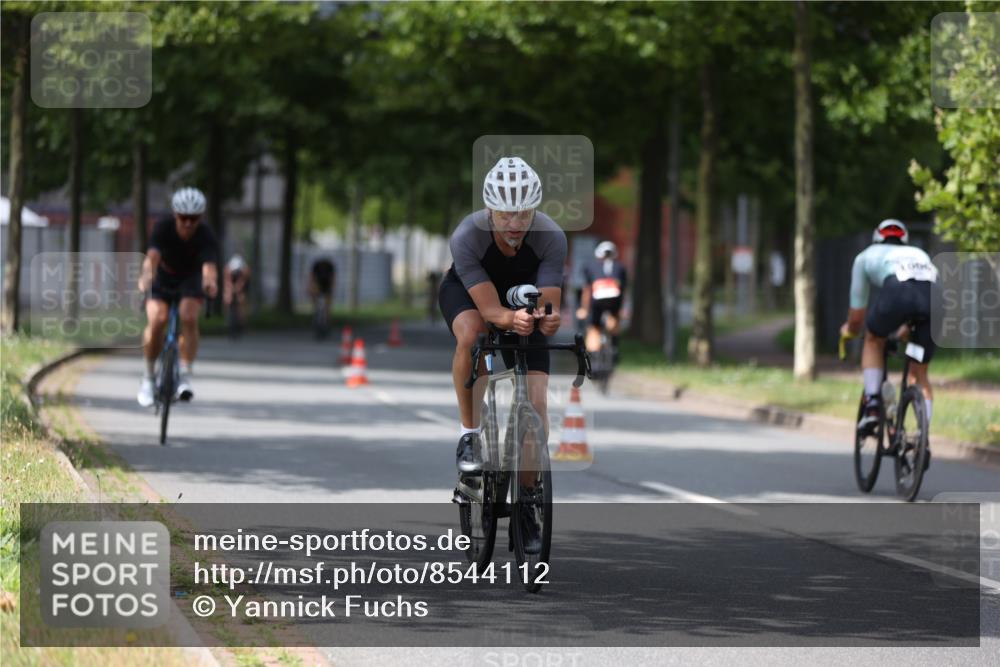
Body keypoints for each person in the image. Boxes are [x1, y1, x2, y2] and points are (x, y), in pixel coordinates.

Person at [439, 156, 565, 550]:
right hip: (472, 296)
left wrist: (546, 319)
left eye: (524, 213)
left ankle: (528, 504)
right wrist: (509, 319)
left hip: (521, 300)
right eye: (506, 213)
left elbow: (547, 304)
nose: (515, 223)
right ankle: (469, 434)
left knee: (537, 406)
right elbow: (492, 312)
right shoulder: (466, 237)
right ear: (490, 209)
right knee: (474, 333)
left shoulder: (550, 237)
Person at [840, 219, 939, 454]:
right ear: (904, 241)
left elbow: (857, 317)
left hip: (897, 294)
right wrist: (907, 329)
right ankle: (922, 436)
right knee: (919, 373)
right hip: (935, 300)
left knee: (873, 338)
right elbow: (919, 295)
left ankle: (873, 404)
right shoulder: (918, 253)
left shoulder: (865, 257)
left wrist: (850, 332)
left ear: (877, 238)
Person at [136, 187, 218, 406]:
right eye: (184, 218)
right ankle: (149, 377)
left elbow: (209, 267)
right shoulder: (163, 228)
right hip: (163, 277)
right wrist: (145, 279)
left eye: (194, 218)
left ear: (200, 217)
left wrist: (210, 283)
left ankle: (183, 372)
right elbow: (152, 258)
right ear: (175, 215)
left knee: (189, 317)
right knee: (157, 320)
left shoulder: (206, 234)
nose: (188, 223)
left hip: (189, 279)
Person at [576, 240, 627, 359]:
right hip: (615, 299)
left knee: (594, 326)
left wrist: (584, 309)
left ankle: (593, 355)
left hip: (597, 299)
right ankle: (614, 348)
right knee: (614, 319)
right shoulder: (620, 267)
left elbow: (587, 290)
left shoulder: (591, 266)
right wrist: (621, 310)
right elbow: (623, 290)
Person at [223, 253, 250, 336]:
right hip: (232, 282)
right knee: (227, 298)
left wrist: (238, 290)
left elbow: (243, 282)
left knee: (241, 299)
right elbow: (227, 282)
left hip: (243, 283)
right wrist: (229, 293)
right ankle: (228, 321)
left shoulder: (245, 270)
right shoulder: (227, 270)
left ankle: (242, 321)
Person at [309, 257, 336, 338]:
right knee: (317, 307)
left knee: (327, 308)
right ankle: (316, 321)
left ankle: (327, 323)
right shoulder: (316, 266)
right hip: (318, 287)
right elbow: (312, 278)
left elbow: (333, 279)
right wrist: (312, 289)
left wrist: (332, 289)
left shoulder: (329, 266)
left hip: (327, 287)